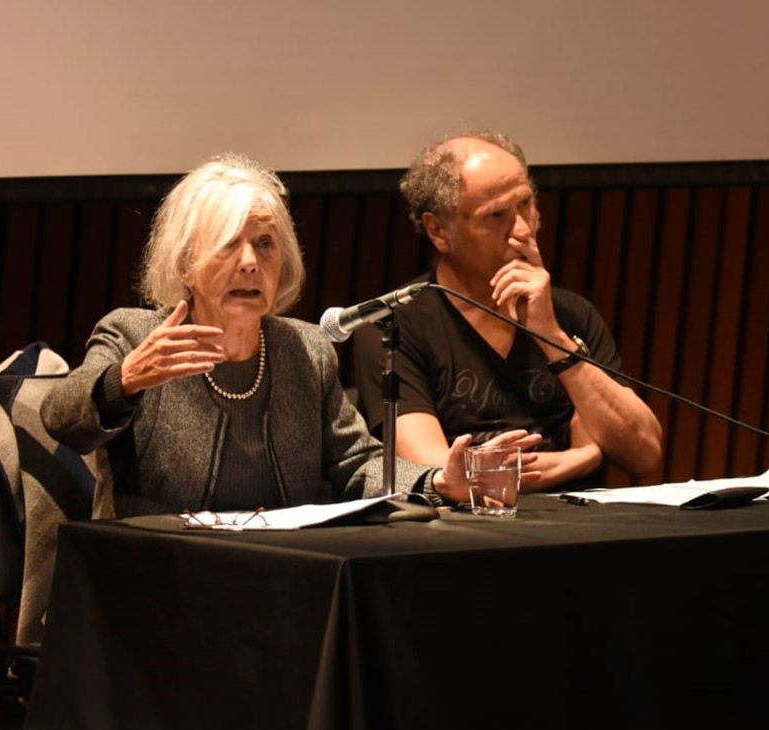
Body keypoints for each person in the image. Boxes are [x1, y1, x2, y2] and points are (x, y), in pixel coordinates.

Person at [42, 153, 533, 515]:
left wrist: (436, 480)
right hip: (162, 582)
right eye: (229, 244)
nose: (251, 263)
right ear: (186, 261)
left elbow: (357, 464)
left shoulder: (304, 349)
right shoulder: (134, 335)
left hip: (285, 579)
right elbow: (61, 419)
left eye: (264, 244)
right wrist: (122, 381)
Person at [354, 132, 663, 490]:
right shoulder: (391, 326)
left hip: (583, 525)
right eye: (496, 216)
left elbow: (644, 454)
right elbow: (436, 472)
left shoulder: (572, 314)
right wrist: (579, 459)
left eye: (526, 205)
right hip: (465, 532)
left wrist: (552, 336)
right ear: (438, 230)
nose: (522, 230)